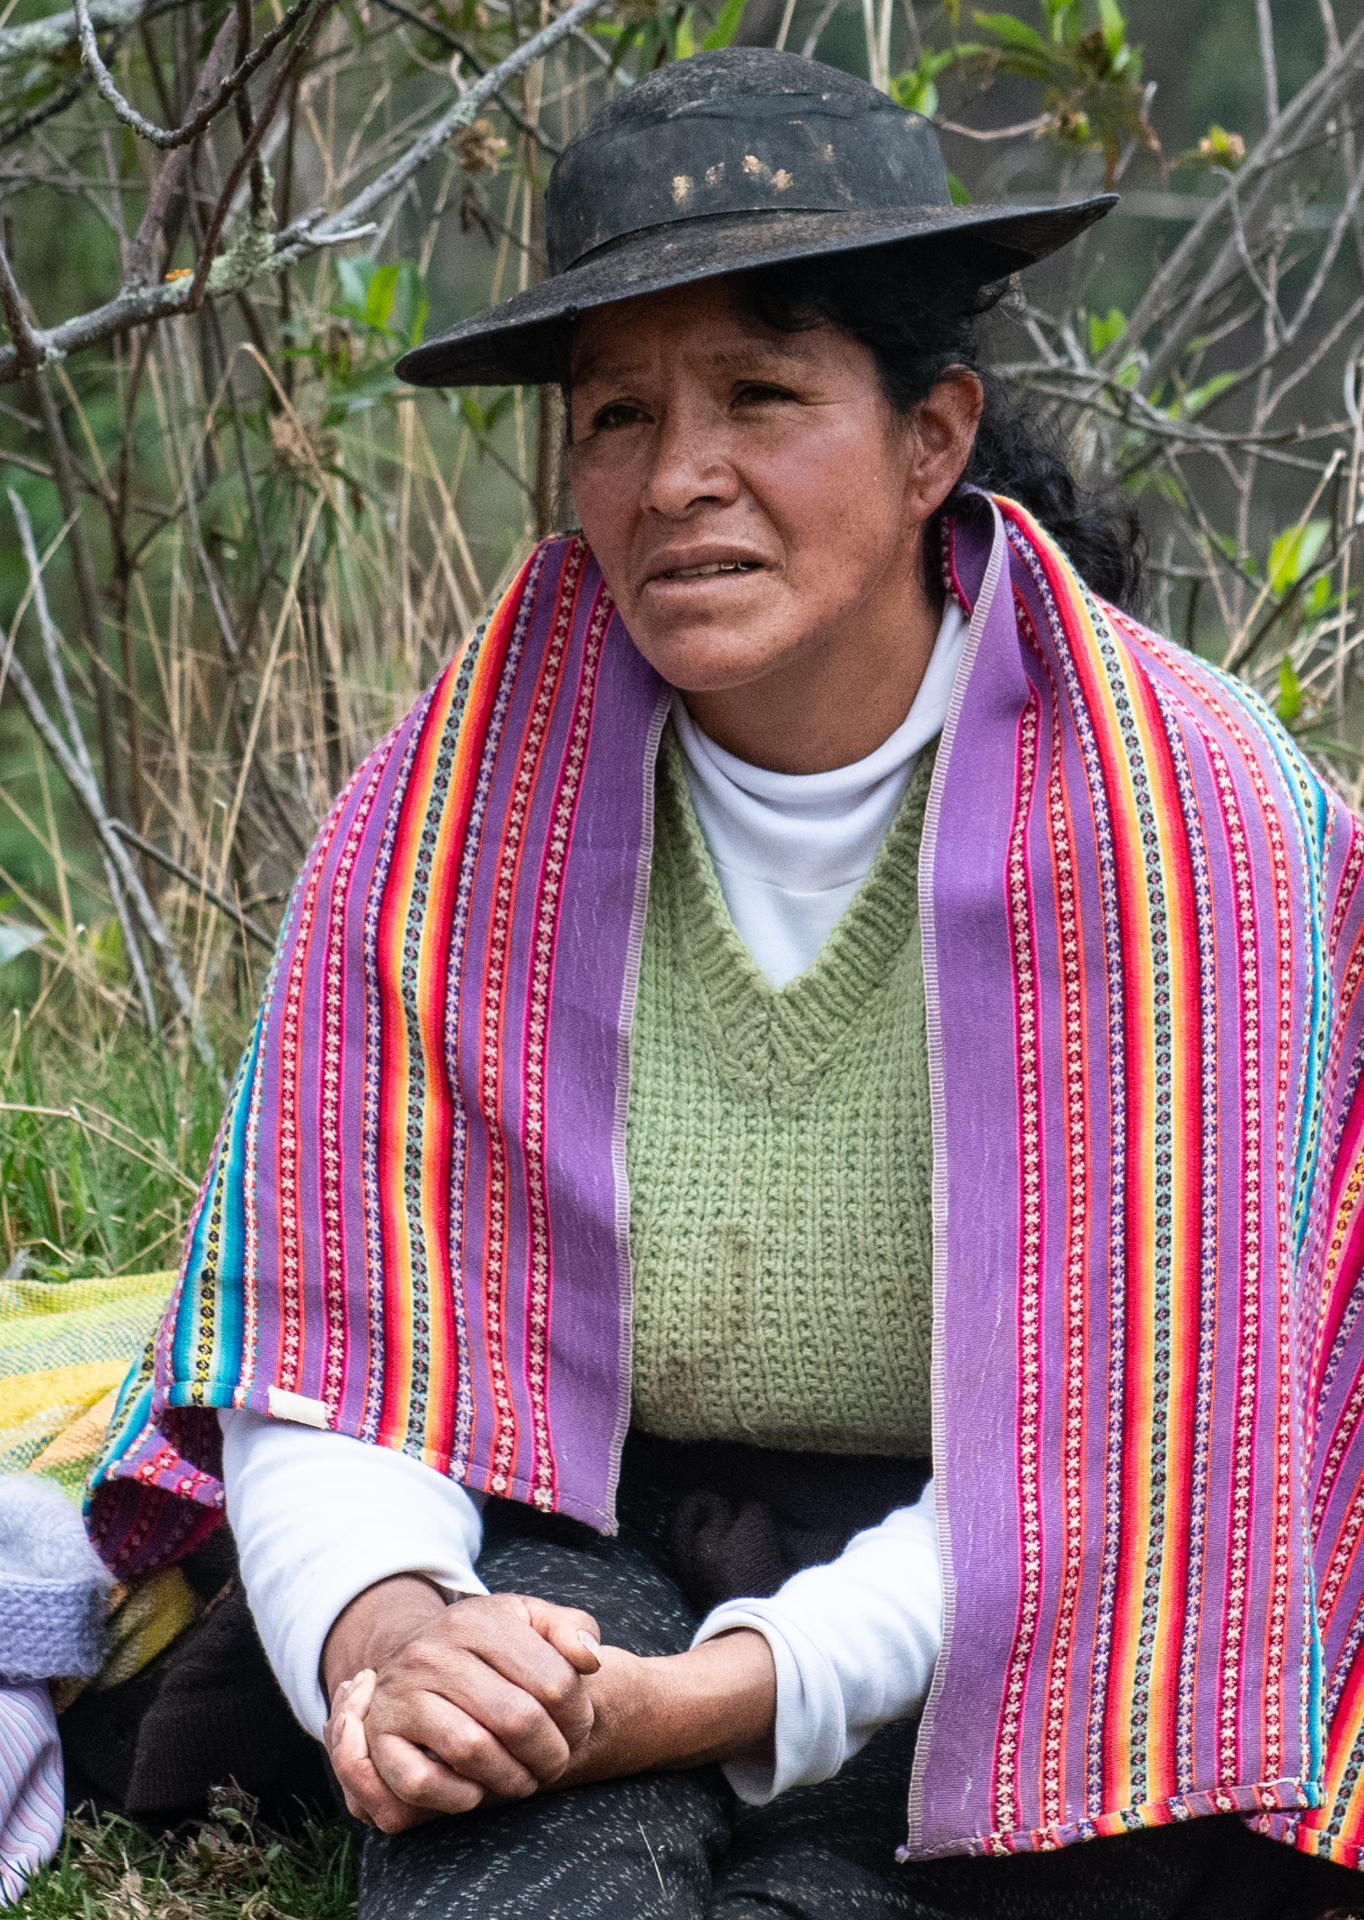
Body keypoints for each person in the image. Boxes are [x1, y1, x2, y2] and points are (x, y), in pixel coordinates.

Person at [88, 47, 1364, 1920]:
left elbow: (1152, 1444)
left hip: (1056, 1573)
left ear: (933, 435)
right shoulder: (445, 819)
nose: (678, 478)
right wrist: (394, 1639)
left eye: (761, 394)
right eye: (615, 418)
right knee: (517, 1865)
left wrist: (712, 1703)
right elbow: (340, 1348)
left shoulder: (1192, 824)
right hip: (583, 1517)